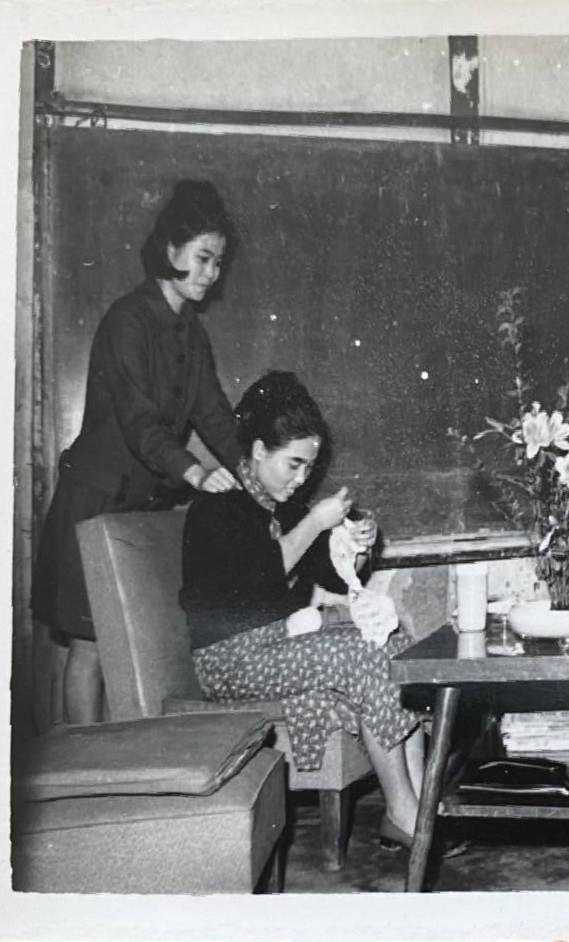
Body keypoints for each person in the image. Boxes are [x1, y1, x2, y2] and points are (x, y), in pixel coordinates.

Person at [179, 370, 447, 854]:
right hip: (231, 660)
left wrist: (356, 544)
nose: (302, 478)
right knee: (363, 656)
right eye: (294, 464)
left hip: (281, 643)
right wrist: (315, 522)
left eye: (308, 467)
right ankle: (403, 813)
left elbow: (332, 575)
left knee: (392, 641)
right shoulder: (216, 508)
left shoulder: (282, 505)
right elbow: (260, 579)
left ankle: (418, 807)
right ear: (258, 450)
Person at [32, 179, 243, 725]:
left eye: (218, 262)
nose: (211, 273)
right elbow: (138, 421)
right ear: (170, 250)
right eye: (203, 258)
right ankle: (85, 766)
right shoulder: (127, 319)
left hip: (138, 509)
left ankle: (122, 760)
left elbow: (215, 416)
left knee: (130, 650)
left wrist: (254, 471)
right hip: (96, 503)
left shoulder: (191, 334)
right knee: (91, 647)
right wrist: (196, 473)